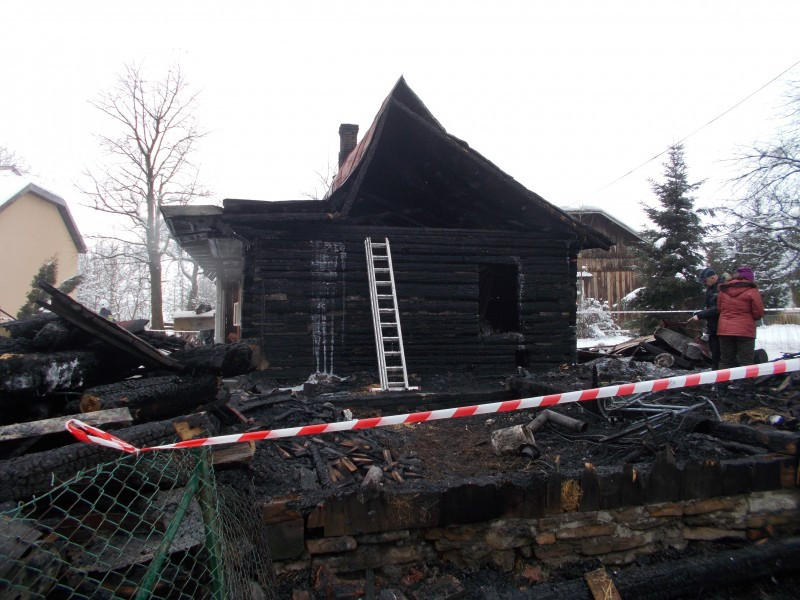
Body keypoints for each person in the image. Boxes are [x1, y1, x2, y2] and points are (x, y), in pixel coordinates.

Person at [716, 266, 764, 370]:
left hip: (725, 330)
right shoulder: (752, 290)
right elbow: (758, 312)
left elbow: (720, 309)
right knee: (746, 361)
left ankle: (722, 385)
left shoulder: (723, 290)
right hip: (745, 331)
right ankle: (745, 385)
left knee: (726, 361)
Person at [687, 267, 725, 369]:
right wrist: (701, 313)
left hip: (723, 327)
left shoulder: (722, 287)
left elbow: (718, 308)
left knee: (724, 356)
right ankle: (717, 375)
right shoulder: (710, 289)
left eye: (705, 280)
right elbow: (711, 307)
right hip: (713, 328)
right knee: (715, 354)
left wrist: (701, 315)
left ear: (712, 277)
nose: (704, 283)